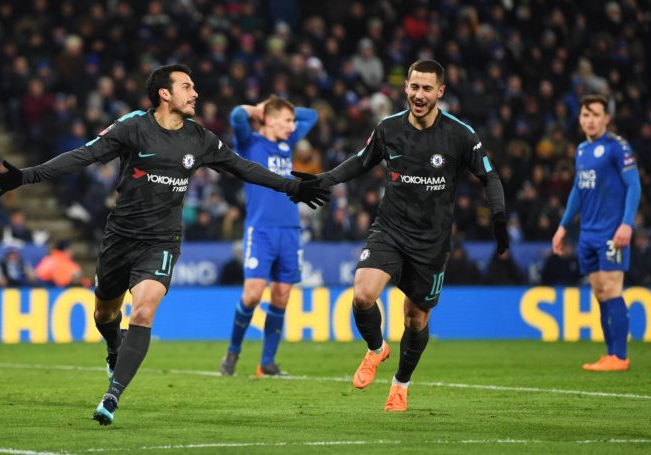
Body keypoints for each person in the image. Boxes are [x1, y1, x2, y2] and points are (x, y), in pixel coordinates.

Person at [0, 63, 329, 425]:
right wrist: (27, 176)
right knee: (104, 315)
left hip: (162, 240)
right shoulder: (133, 126)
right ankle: (113, 346)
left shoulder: (200, 138)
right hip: (120, 237)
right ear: (165, 93)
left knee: (144, 312)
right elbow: (84, 155)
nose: (195, 93)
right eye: (187, 87)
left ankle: (112, 397)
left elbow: (243, 167)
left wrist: (293, 187)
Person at [292, 59, 508, 411]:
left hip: (431, 243)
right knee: (362, 294)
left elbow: (490, 176)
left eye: (427, 89)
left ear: (440, 91)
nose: (419, 95)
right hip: (390, 229)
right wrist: (323, 180)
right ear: (405, 87)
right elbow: (361, 161)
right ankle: (376, 349)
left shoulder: (459, 134)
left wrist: (498, 215)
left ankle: (400, 385)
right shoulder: (388, 128)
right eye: (414, 87)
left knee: (416, 319)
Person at [219, 96, 318, 377]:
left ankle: (267, 363)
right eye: (287, 120)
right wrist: (259, 110)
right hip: (261, 229)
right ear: (270, 120)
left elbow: (311, 115)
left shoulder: (288, 140)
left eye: (292, 121)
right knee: (252, 294)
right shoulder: (249, 142)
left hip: (290, 229)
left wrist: (280, 109)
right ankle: (233, 352)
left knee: (282, 295)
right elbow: (237, 115)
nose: (293, 125)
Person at [552, 94, 641, 372]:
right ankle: (610, 354)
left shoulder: (617, 147)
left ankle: (620, 357)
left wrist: (627, 224)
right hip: (587, 234)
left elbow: (634, 186)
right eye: (586, 115)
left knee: (612, 289)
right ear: (580, 119)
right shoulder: (581, 150)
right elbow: (578, 191)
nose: (590, 120)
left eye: (596, 115)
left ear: (606, 118)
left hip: (611, 232)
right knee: (600, 292)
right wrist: (562, 226)